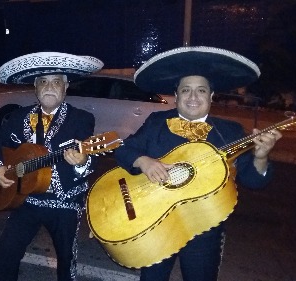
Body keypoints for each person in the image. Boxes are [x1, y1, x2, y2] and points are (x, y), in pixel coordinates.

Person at [113, 46, 282, 281]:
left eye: (201, 91)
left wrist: (261, 156)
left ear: (211, 96)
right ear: (177, 95)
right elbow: (123, 149)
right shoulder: (157, 122)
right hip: (155, 225)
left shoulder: (231, 132)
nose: (193, 97)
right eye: (186, 90)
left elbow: (254, 181)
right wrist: (144, 161)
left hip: (204, 232)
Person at [0, 52, 104, 281]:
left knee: (66, 262)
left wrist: (82, 162)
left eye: (56, 82)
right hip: (27, 199)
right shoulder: (20, 117)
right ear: (35, 88)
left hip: (65, 202)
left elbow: (89, 156)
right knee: (5, 252)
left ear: (65, 87)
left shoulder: (81, 119)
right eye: (43, 82)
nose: (50, 87)